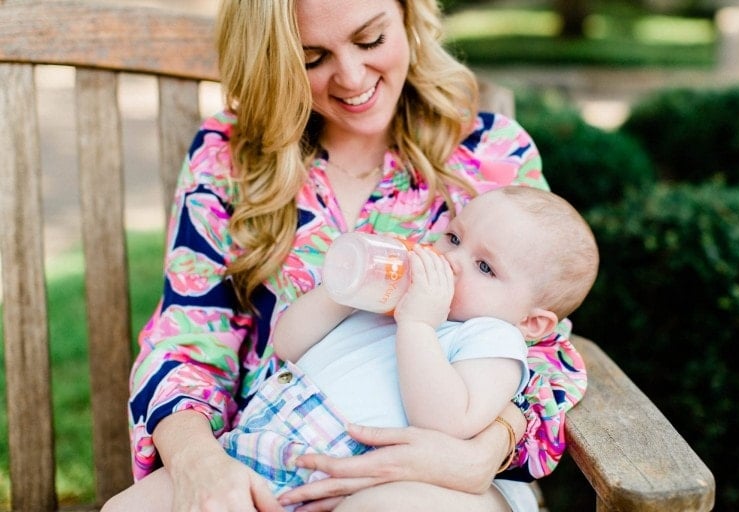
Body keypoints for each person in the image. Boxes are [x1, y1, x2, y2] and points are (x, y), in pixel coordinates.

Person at [114, 0, 590, 511]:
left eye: (370, 41)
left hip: (433, 478)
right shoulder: (230, 154)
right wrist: (198, 462)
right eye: (312, 57)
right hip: (274, 453)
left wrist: (488, 450)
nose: (352, 76)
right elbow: (189, 335)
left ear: (408, 16)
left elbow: (543, 350)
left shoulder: (489, 152)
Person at [105, 186, 599, 512]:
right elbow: (288, 343)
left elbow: (447, 421)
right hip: (257, 452)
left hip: (364, 483)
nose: (449, 261)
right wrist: (343, 290)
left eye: (485, 268)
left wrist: (418, 325)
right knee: (124, 508)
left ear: (532, 320)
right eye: (452, 236)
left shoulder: (494, 338)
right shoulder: (388, 301)